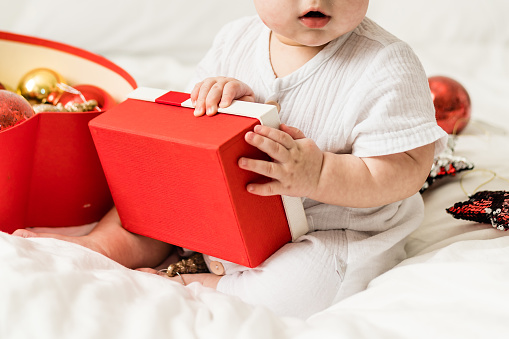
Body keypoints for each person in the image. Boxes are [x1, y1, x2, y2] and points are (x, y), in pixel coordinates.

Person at [14, 0, 448, 318]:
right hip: (224, 206)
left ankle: (212, 283)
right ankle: (103, 245)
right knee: (149, 195)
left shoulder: (387, 64)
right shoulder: (235, 40)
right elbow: (190, 125)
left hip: (329, 224)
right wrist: (215, 100)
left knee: (306, 286)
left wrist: (320, 173)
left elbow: (406, 169)